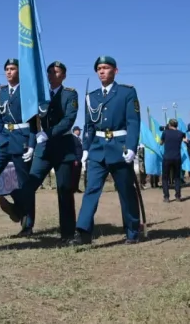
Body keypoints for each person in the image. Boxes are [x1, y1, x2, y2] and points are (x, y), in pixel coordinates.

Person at [0, 61, 79, 243]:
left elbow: (69, 120)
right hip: (44, 147)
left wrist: (48, 133)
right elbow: (32, 118)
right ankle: (18, 209)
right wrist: (32, 142)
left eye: (56, 72)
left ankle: (67, 233)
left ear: (64, 75)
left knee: (64, 190)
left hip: (62, 145)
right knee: (31, 181)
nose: (52, 75)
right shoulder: (41, 95)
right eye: (49, 72)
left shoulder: (70, 94)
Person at [70, 56, 141, 246]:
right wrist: (86, 148)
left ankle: (132, 230)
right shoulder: (91, 96)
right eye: (99, 68)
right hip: (97, 150)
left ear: (115, 71)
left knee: (126, 191)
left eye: (106, 67)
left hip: (119, 148)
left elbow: (133, 122)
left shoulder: (126, 92)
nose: (102, 71)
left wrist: (131, 147)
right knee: (91, 190)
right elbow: (89, 126)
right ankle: (83, 232)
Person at [0, 58, 35, 237]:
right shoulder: (0, 92)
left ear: (19, 71)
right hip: (3, 140)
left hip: (21, 140)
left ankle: (27, 225)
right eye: (7, 69)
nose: (9, 72)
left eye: (13, 69)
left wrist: (31, 144)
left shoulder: (27, 91)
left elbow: (34, 122)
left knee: (24, 183)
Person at [160, 119, 185, 202]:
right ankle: (178, 196)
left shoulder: (165, 133)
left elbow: (160, 143)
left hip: (167, 158)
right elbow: (185, 139)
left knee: (165, 178)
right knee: (177, 177)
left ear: (169, 125)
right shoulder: (181, 133)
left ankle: (166, 197)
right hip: (177, 158)